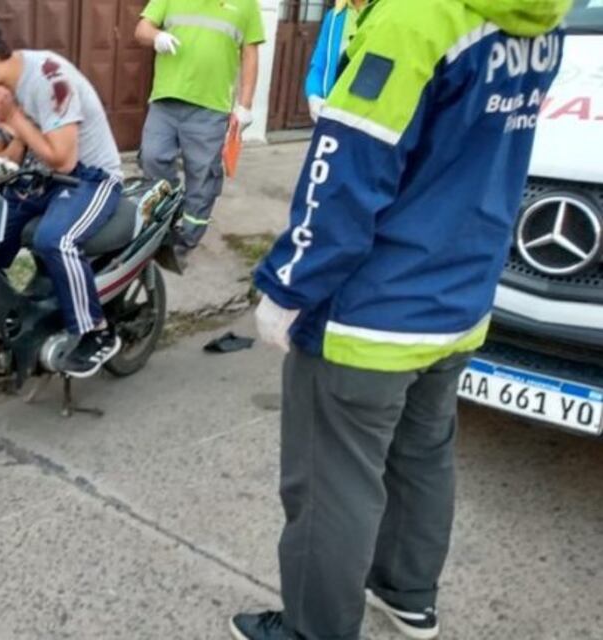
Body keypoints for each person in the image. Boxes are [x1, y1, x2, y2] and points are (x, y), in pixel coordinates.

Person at [230, 0, 569, 639]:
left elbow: (343, 178)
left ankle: (314, 631)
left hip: (374, 311)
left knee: (331, 487)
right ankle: (408, 594)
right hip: (460, 297)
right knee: (424, 455)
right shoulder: (545, 21)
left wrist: (286, 287)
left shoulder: (412, 21)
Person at [0, 17, 124, 378]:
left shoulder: (49, 78)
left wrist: (14, 118)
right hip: (38, 178)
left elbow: (65, 159)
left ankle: (96, 331)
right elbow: (1, 162)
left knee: (56, 240)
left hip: (89, 179)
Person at [135, 0, 266, 256]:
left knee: (203, 176)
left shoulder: (247, 5)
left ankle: (187, 239)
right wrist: (157, 35)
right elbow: (141, 29)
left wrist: (245, 104)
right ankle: (167, 213)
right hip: (166, 99)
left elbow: (250, 54)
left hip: (211, 107)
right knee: (152, 158)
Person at [304, 0, 366, 122]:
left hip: (370, 118)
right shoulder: (335, 16)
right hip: (335, 112)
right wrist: (313, 95)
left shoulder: (385, 14)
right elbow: (319, 65)